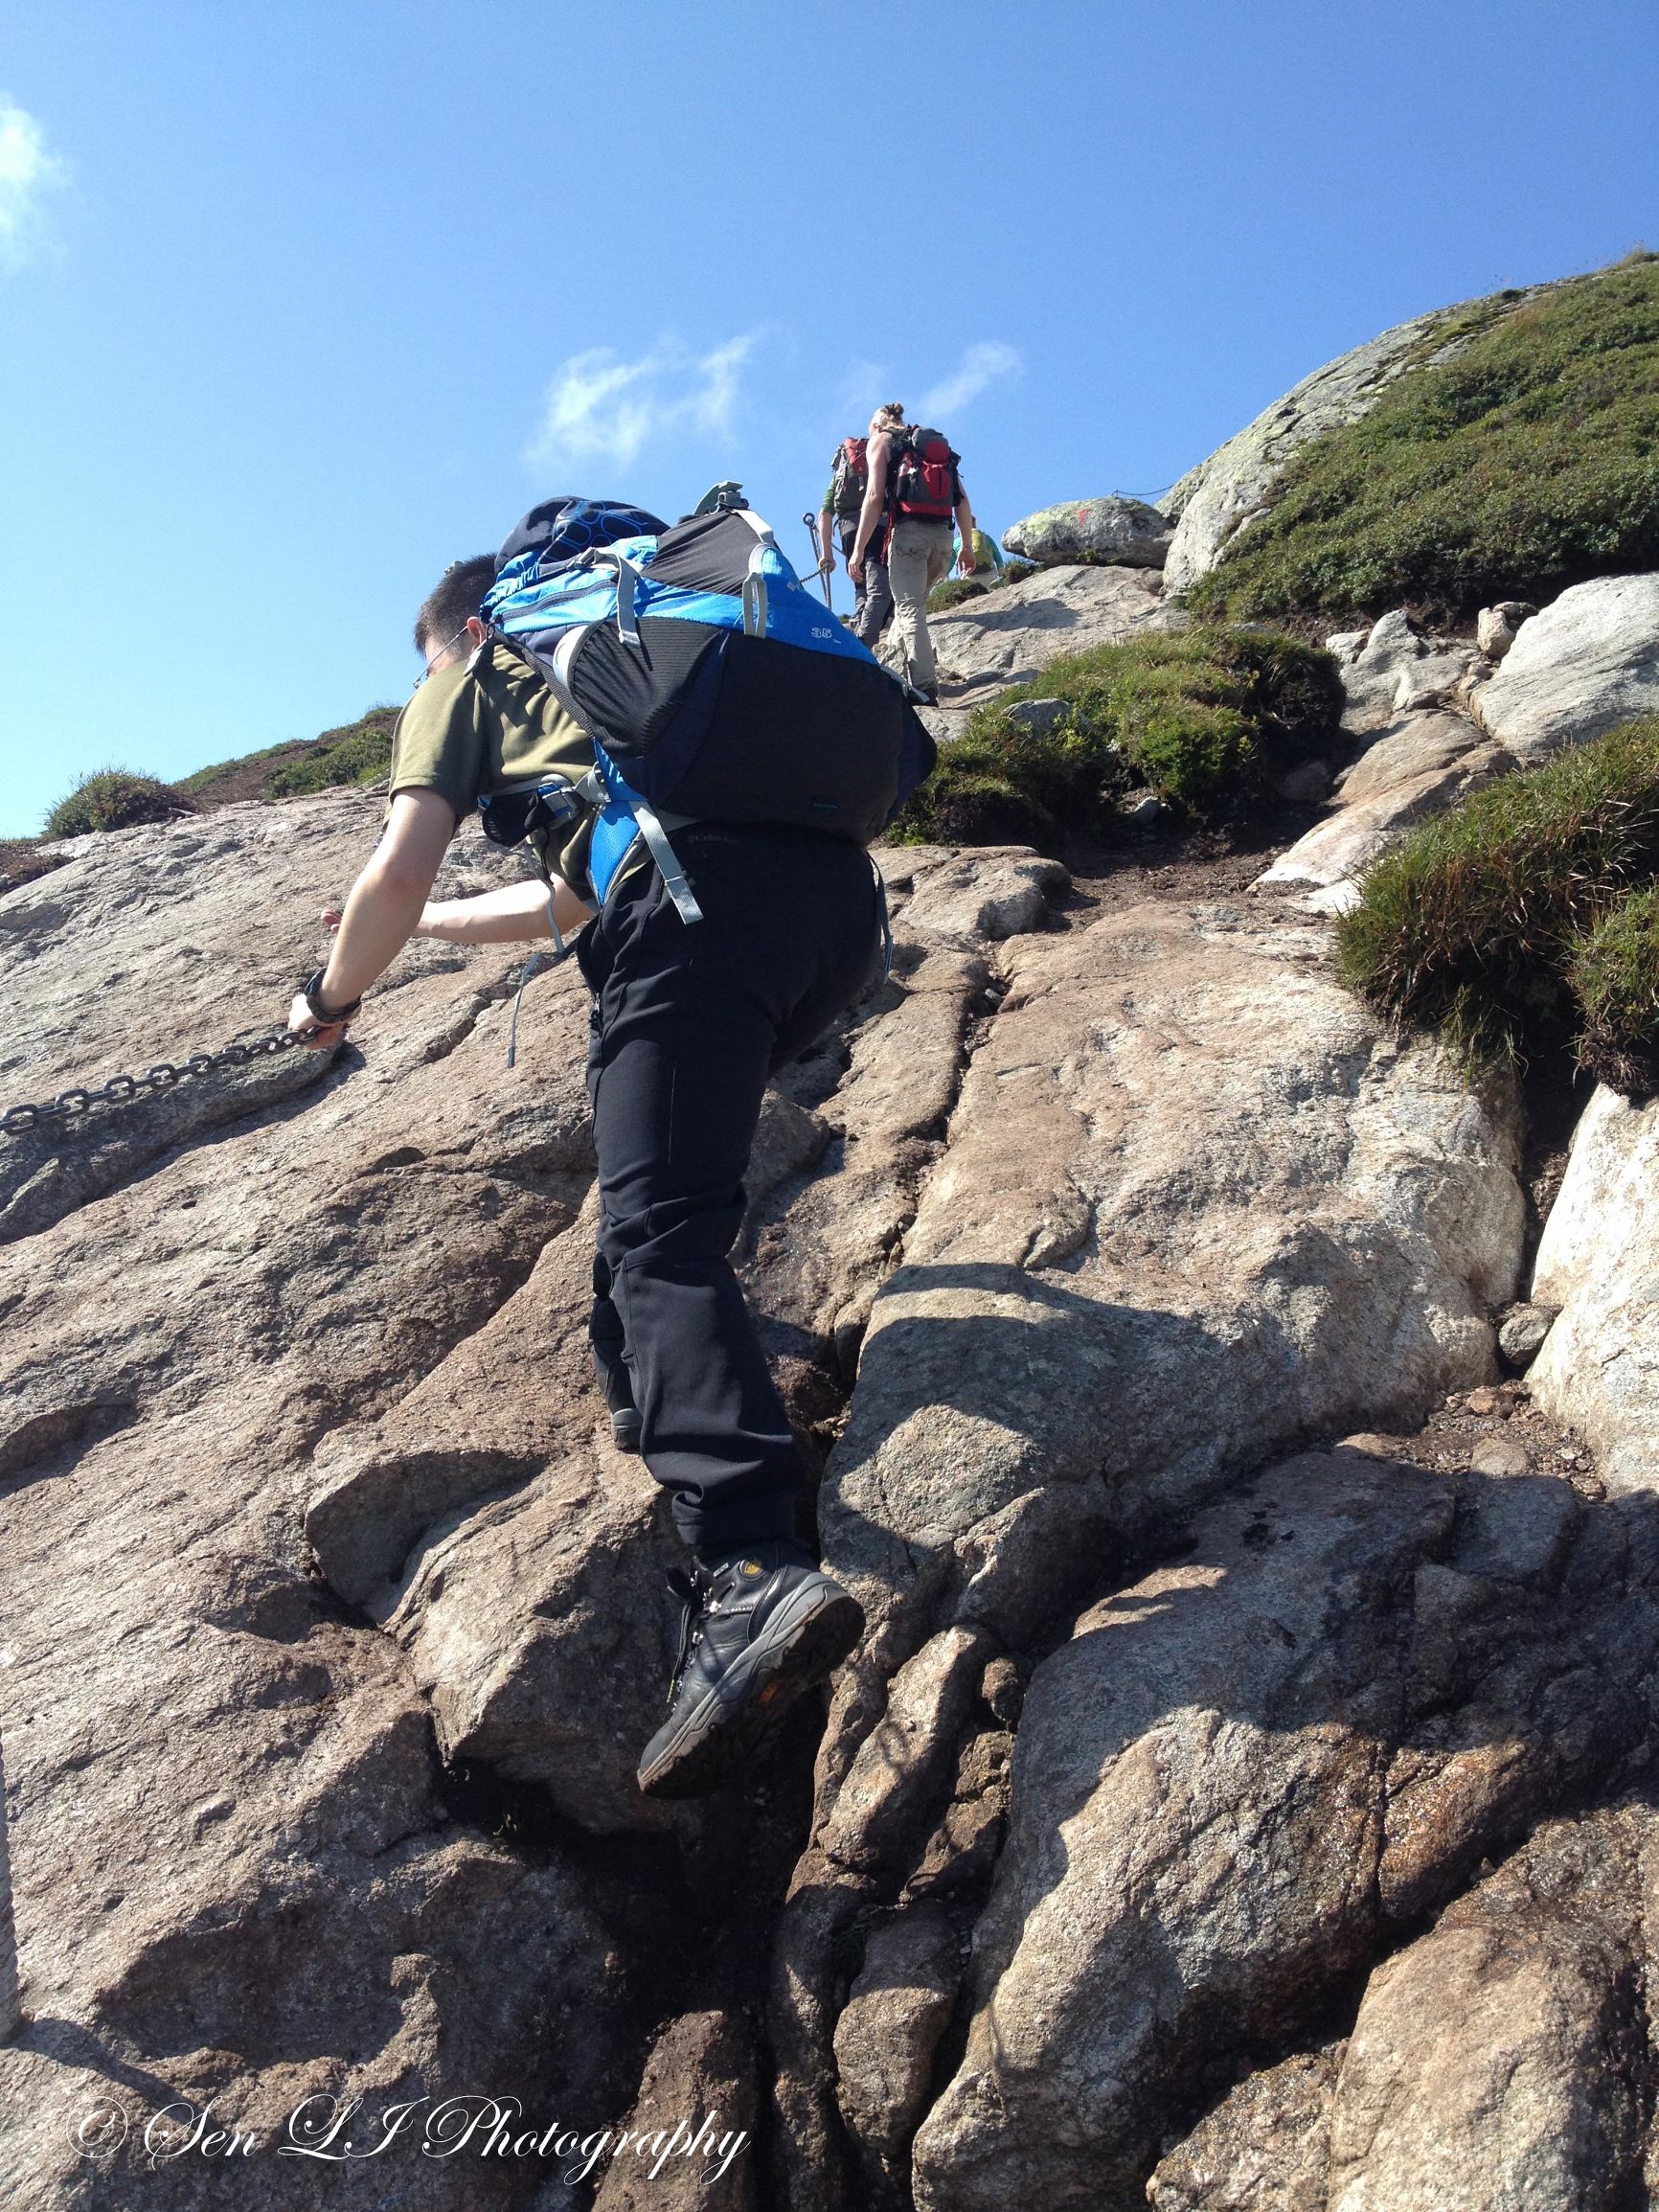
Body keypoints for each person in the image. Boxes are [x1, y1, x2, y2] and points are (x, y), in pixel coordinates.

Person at [286, 544, 878, 1800]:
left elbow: (399, 865)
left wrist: (331, 993)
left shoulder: (473, 667)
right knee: (650, 1212)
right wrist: (428, 934)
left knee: (663, 1233)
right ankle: (646, 1403)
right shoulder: (637, 700)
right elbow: (567, 897)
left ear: (459, 630)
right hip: (833, 917)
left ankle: (747, 1560)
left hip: (696, 917)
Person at [848, 403, 977, 704]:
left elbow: (874, 496)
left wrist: (858, 550)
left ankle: (925, 688)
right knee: (911, 607)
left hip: (909, 537)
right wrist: (967, 547)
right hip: (944, 539)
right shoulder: (928, 446)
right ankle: (905, 670)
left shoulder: (881, 441)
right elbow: (962, 499)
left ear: (876, 427)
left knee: (909, 610)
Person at [817, 433, 892, 645]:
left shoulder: (839, 479)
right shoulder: (878, 466)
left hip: (848, 529)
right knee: (879, 586)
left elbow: (825, 515)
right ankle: (865, 640)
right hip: (877, 524)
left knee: (860, 582)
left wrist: (827, 554)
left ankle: (859, 620)